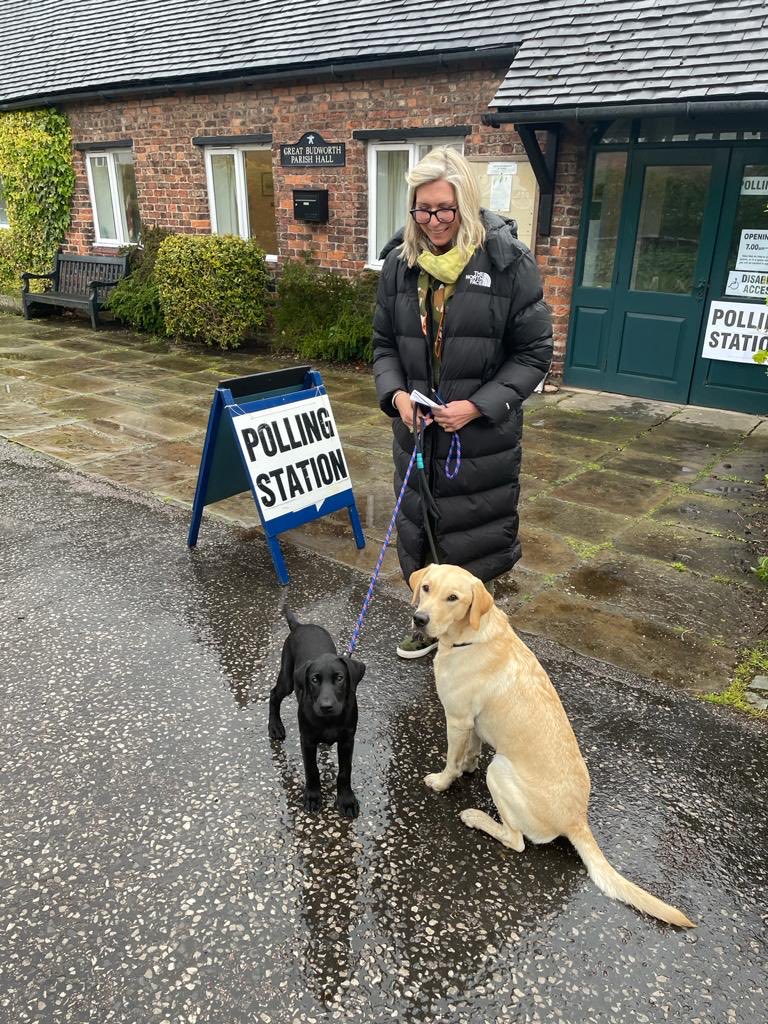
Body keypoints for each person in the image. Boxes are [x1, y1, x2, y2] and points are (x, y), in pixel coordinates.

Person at [372, 147, 553, 658]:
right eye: (423, 210)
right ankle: (427, 624)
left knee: (471, 536)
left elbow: (535, 352)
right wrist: (396, 395)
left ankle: (472, 633)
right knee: (422, 534)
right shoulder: (399, 264)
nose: (433, 222)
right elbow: (384, 345)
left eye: (444, 210)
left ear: (466, 205)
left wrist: (476, 406)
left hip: (478, 439)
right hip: (418, 433)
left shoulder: (507, 263)